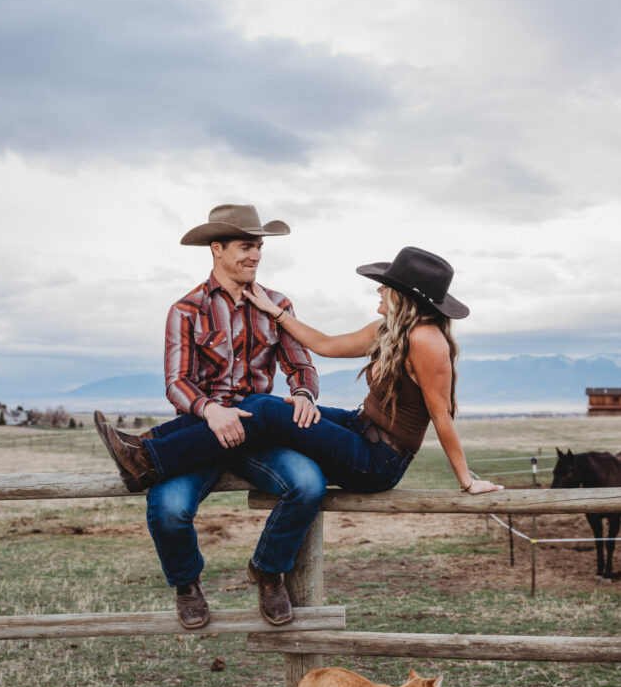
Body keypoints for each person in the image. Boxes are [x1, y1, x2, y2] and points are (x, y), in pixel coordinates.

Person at [96, 245, 502, 612]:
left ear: (404, 295)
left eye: (386, 286)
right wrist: (276, 314)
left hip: (379, 459)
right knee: (267, 408)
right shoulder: (389, 330)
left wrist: (466, 480)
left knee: (268, 411)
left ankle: (147, 459)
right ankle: (145, 452)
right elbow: (326, 345)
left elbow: (442, 415)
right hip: (359, 426)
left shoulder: (428, 340)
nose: (379, 290)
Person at [96, 204, 327, 632]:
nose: (255, 255)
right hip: (202, 431)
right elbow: (176, 382)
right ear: (217, 248)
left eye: (259, 247)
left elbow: (301, 364)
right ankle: (187, 584)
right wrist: (210, 409)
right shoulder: (186, 309)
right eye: (245, 246)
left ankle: (269, 572)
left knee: (309, 485)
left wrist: (302, 394)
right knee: (168, 509)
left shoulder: (277, 305)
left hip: (258, 429)